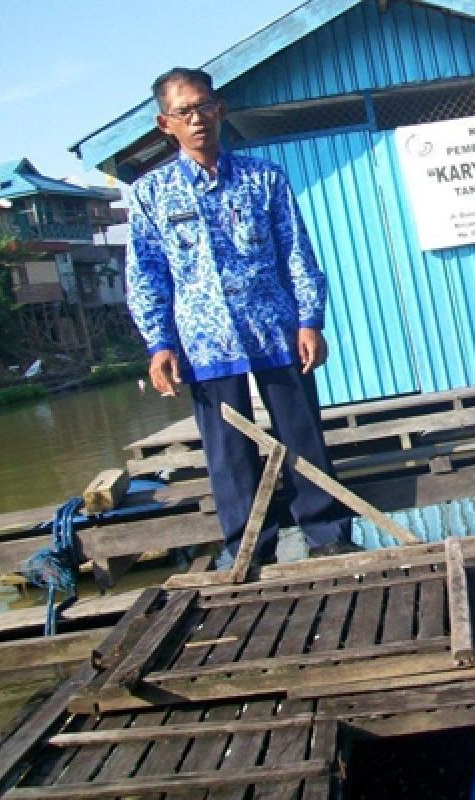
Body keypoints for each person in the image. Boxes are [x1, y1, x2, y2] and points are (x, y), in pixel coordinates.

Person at [126, 67, 354, 566]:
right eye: (184, 111)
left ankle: (326, 531)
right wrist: (159, 343)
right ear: (167, 124)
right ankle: (248, 547)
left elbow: (297, 251)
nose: (197, 118)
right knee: (228, 452)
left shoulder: (264, 179)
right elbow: (146, 273)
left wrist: (310, 319)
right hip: (204, 341)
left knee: (301, 434)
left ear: (220, 109)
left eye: (204, 106)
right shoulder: (150, 193)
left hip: (275, 327)